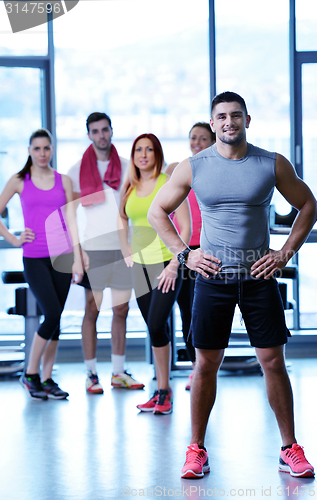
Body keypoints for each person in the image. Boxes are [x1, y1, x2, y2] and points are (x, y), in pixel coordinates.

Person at [148, 92, 317, 478]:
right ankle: (196, 450)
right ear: (212, 123)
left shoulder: (270, 163)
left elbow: (309, 206)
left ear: (247, 120)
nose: (229, 122)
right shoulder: (193, 167)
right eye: (221, 116)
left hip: (258, 278)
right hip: (213, 279)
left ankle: (289, 448)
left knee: (273, 362)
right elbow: (157, 210)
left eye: (236, 115)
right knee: (205, 364)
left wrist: (285, 252)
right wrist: (185, 255)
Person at [0, 129, 84, 400]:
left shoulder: (65, 181)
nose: (42, 153)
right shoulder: (19, 180)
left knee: (56, 319)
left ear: (52, 150)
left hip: (63, 257)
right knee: (51, 313)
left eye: (46, 148)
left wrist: (78, 259)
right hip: (34, 257)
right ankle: (31, 373)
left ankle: (47, 379)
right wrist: (14, 239)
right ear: (29, 151)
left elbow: (72, 222)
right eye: (37, 148)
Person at [67, 112, 144, 394]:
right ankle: (90, 374)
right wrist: (78, 255)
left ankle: (118, 371)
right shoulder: (76, 170)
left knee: (121, 309)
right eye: (95, 131)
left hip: (122, 249)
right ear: (89, 134)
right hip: (93, 250)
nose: (101, 135)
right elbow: (71, 217)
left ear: (112, 131)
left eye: (105, 130)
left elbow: (134, 208)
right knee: (92, 310)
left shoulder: (126, 167)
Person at [118, 133, 191, 414]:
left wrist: (176, 263)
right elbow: (123, 216)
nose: (144, 154)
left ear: (157, 153)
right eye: (139, 149)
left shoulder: (168, 183)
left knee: (157, 323)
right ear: (133, 155)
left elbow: (184, 226)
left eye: (149, 149)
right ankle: (161, 389)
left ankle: (164, 389)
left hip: (166, 265)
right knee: (154, 326)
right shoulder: (130, 186)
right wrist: (125, 248)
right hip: (140, 266)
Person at [165, 123, 216, 390]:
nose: (197, 142)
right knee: (187, 312)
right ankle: (197, 368)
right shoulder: (178, 169)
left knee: (203, 314)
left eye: (203, 138)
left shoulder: (217, 169)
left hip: (208, 251)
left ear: (212, 140)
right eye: (193, 138)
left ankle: (206, 366)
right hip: (185, 250)